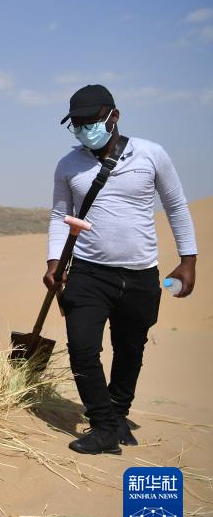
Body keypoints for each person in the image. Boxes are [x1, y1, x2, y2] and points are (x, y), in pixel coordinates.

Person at [45, 84, 197, 455]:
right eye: (76, 124)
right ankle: (103, 426)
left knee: (130, 348)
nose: (83, 129)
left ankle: (118, 413)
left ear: (114, 116)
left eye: (90, 121)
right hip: (88, 272)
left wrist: (188, 260)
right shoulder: (69, 165)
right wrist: (54, 262)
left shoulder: (151, 154)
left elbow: (176, 206)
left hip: (140, 273)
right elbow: (58, 215)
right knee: (82, 349)